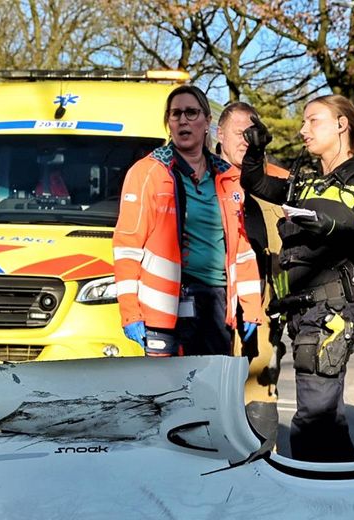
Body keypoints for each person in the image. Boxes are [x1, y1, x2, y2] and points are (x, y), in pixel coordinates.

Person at [241, 94, 354, 462]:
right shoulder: (306, 182)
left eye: (313, 120)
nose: (303, 129)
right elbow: (256, 183)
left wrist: (333, 228)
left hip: (330, 312)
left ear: (341, 125)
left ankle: (316, 489)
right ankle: (344, 488)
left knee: (313, 419)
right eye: (303, 121)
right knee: (325, 418)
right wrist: (255, 151)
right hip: (303, 311)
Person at [113, 84, 264, 357]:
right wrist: (130, 311)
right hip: (162, 307)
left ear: (207, 122)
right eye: (176, 114)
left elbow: (241, 250)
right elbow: (127, 247)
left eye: (191, 113)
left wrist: (251, 305)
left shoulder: (229, 178)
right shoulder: (148, 172)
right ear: (168, 123)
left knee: (211, 384)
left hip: (216, 305)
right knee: (167, 385)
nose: (183, 120)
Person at [217, 101, 286, 439]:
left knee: (260, 391)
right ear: (219, 134)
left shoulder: (277, 181)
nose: (246, 141)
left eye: (252, 134)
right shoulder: (203, 179)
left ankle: (262, 461)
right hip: (217, 302)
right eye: (238, 133)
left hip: (264, 306)